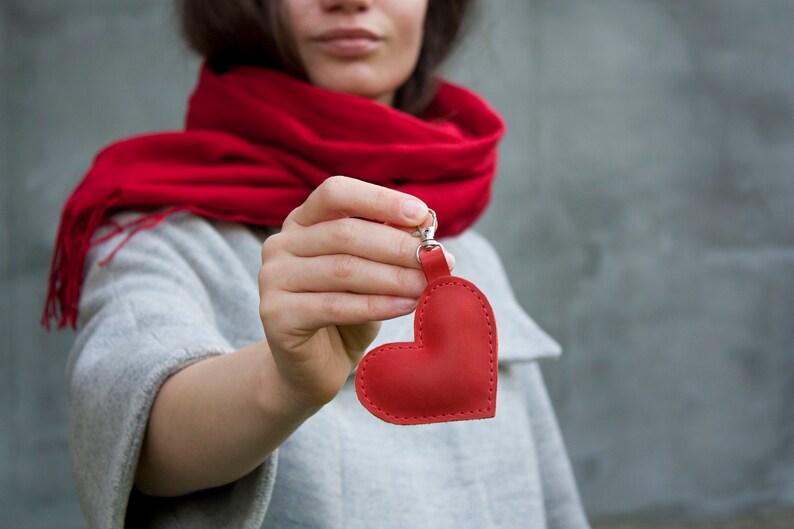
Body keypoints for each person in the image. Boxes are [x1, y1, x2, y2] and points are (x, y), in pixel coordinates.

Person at [45, 0, 592, 527]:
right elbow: (138, 435)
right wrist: (282, 383)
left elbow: (547, 492)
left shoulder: (464, 240)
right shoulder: (154, 235)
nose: (349, 0)